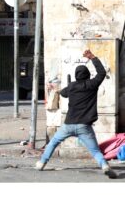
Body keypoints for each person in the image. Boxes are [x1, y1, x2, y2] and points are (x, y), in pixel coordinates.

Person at [35, 49, 117, 179]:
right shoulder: (92, 84)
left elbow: (63, 93)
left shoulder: (72, 86)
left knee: (53, 142)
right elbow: (101, 73)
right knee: (95, 151)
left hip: (68, 124)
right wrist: (93, 57)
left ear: (76, 75)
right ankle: (104, 165)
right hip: (84, 126)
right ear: (87, 75)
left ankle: (42, 163)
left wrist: (63, 87)